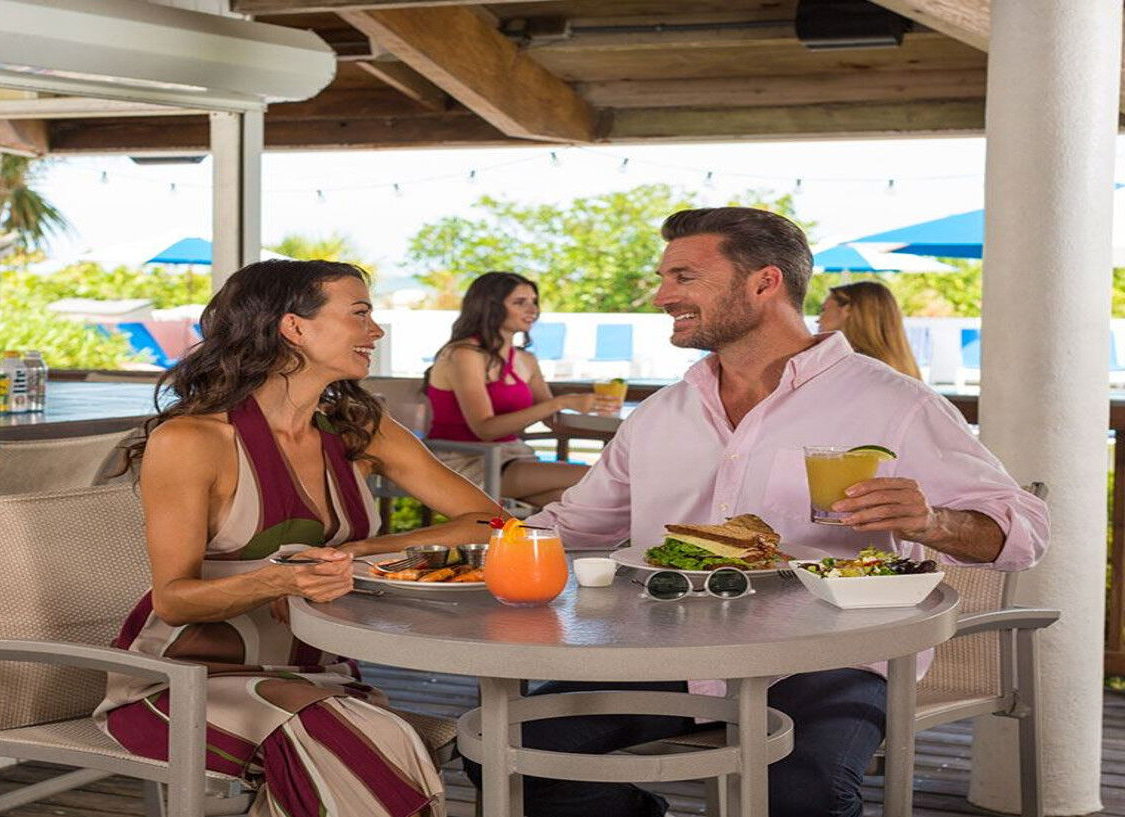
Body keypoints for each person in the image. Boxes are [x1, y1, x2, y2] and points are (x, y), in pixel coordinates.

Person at [464, 208, 1050, 817]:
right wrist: (437, 554)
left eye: (684, 277)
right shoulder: (663, 413)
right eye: (664, 277)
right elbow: (570, 527)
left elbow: (1025, 529)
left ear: (765, 283)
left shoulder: (892, 402)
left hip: (826, 659)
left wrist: (933, 523)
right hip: (668, 652)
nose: (662, 296)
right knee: (504, 753)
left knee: (802, 795)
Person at [96, 260, 500, 817]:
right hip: (185, 681)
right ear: (294, 327)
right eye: (359, 314)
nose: (375, 332)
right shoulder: (192, 440)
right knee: (356, 742)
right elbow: (174, 598)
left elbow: (491, 523)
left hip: (321, 676)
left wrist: (354, 554)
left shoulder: (360, 427)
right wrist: (279, 580)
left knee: (357, 737)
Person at [424, 271, 604, 506]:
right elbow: (485, 430)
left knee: (569, 503)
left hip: (512, 456)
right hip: (464, 460)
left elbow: (551, 419)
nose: (533, 310)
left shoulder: (525, 359)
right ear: (489, 307)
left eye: (534, 302)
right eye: (520, 303)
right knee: (598, 479)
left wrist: (602, 417)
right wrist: (562, 402)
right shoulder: (464, 354)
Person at [818, 280, 921, 378]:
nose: (818, 320)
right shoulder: (903, 365)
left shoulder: (849, 367)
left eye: (823, 310)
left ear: (847, 310)